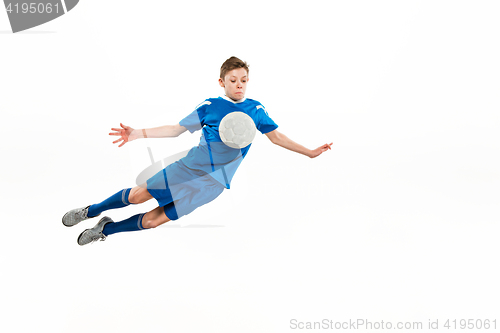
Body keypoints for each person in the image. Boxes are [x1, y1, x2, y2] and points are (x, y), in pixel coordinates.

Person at [62, 56, 333, 245]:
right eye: (233, 80)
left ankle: (105, 229)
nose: (239, 85)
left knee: (152, 222)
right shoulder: (210, 105)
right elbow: (176, 129)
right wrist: (137, 134)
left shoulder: (256, 110)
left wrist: (309, 152)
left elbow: (277, 137)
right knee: (136, 196)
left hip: (212, 185)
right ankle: (91, 211)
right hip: (187, 168)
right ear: (221, 82)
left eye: (244, 80)